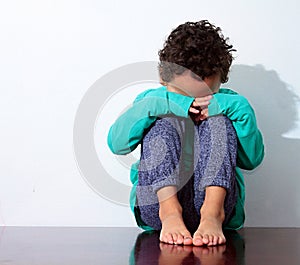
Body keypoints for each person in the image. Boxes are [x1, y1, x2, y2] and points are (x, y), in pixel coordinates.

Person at [107, 20, 264, 246]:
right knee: (162, 122)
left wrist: (236, 108)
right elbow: (116, 144)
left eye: (204, 97)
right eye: (182, 94)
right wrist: (173, 105)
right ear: (164, 78)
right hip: (158, 206)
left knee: (218, 122)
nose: (192, 104)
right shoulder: (151, 100)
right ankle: (170, 212)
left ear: (221, 80)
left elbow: (251, 160)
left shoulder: (231, 104)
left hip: (217, 205)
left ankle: (212, 214)